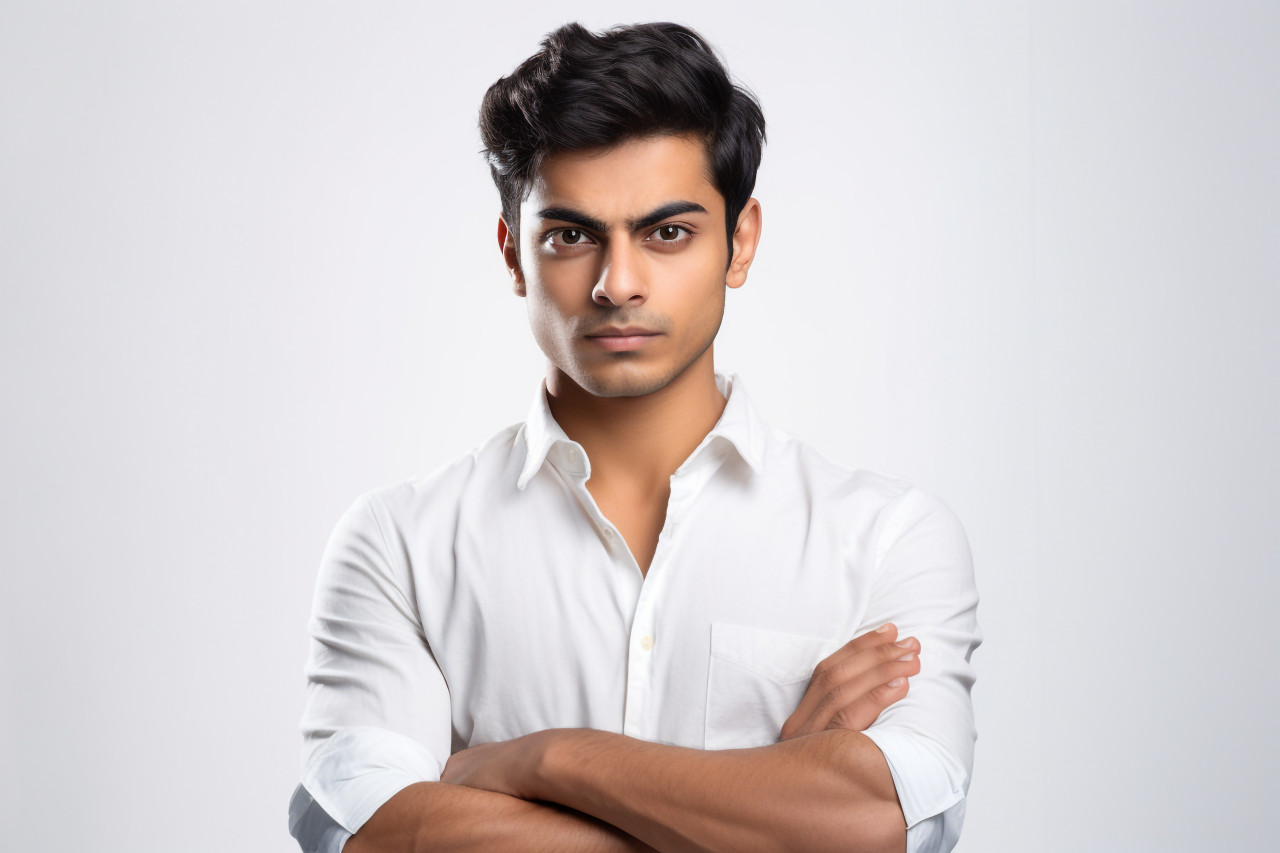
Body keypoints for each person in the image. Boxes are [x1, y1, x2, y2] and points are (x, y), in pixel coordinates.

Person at [288, 21, 981, 853]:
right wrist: (763, 795)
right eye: (572, 236)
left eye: (667, 232)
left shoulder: (886, 539)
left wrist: (546, 760)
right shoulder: (400, 543)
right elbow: (372, 833)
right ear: (514, 254)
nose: (618, 283)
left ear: (741, 240)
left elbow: (880, 824)